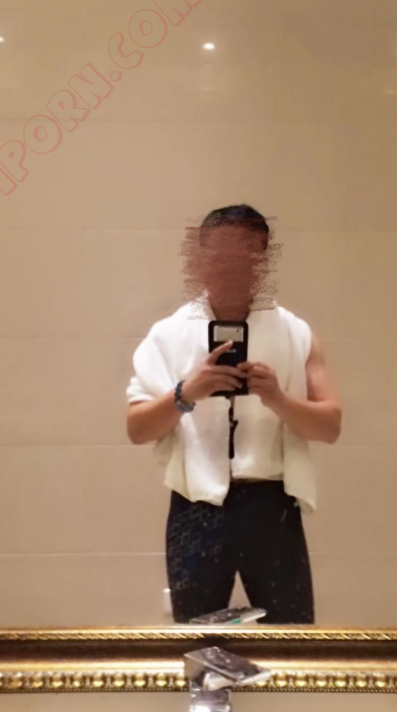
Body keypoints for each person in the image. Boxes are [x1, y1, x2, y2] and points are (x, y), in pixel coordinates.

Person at [126, 205, 341, 624]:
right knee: (197, 639)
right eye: (219, 251)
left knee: (292, 637)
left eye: (246, 251)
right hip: (195, 508)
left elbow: (330, 425)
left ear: (263, 259)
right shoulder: (168, 335)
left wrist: (277, 398)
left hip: (272, 504)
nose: (231, 263)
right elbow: (137, 428)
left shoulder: (296, 333)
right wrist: (186, 393)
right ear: (201, 255)